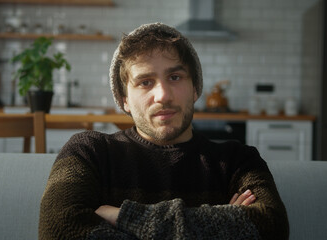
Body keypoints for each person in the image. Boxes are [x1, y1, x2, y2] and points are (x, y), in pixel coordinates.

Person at [39, 22, 289, 240]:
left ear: (195, 88)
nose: (163, 95)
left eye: (175, 77)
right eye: (145, 82)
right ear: (124, 99)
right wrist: (221, 225)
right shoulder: (88, 152)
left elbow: (272, 227)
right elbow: (58, 230)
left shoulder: (239, 161)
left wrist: (125, 217)